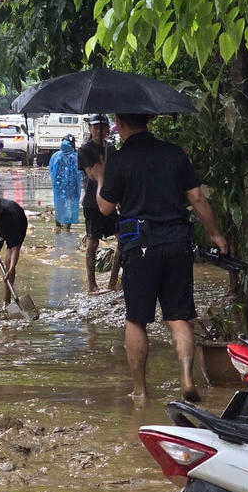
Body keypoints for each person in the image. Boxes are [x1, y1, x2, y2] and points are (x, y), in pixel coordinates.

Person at [87, 113, 228, 404]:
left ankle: (140, 391)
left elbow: (104, 208)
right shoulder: (174, 154)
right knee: (179, 317)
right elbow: (197, 198)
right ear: (147, 121)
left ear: (121, 124)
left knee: (136, 320)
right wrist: (215, 233)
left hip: (140, 246)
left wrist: (100, 177)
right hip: (177, 242)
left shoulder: (119, 160)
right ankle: (187, 377)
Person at [79, 114, 121, 293]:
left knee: (123, 240)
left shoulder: (111, 149)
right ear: (90, 128)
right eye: (95, 127)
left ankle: (112, 283)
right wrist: (102, 170)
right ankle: (92, 285)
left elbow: (117, 174)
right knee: (93, 242)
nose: (99, 131)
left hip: (111, 199)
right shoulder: (84, 150)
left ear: (107, 129)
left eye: (103, 127)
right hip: (92, 201)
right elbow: (91, 174)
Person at [49, 136, 80, 231]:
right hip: (72, 187)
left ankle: (58, 226)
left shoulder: (56, 156)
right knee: (70, 206)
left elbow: (51, 170)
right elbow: (80, 172)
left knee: (58, 205)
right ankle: (67, 228)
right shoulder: (76, 156)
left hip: (59, 188)